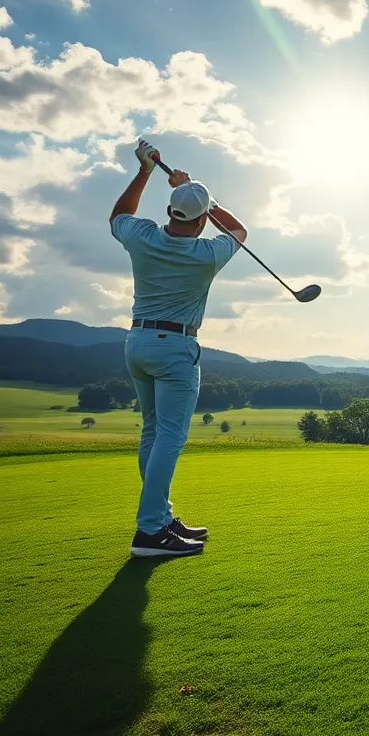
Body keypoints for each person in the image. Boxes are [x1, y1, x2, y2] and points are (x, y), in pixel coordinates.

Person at [110, 140, 248, 557]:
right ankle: (150, 531)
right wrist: (199, 192)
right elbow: (239, 230)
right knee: (169, 437)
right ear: (204, 219)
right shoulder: (208, 252)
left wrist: (146, 172)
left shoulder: (143, 236)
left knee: (153, 433)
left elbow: (119, 215)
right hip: (175, 348)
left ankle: (163, 518)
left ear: (170, 211)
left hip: (137, 343)